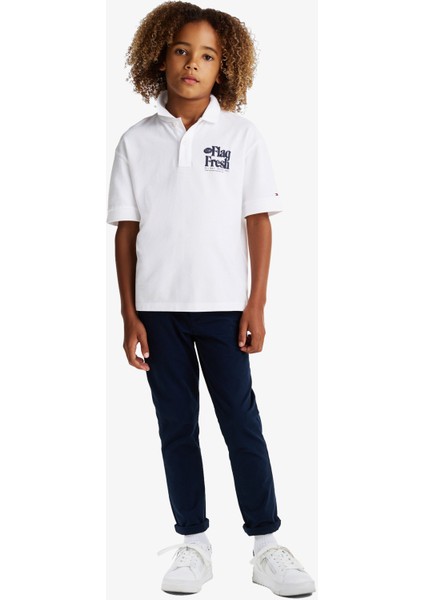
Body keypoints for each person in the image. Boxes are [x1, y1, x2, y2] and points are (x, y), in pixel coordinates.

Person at [107, 1, 315, 596]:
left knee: (241, 423)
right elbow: (127, 233)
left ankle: (266, 545)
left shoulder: (242, 136)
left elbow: (258, 221)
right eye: (181, 51)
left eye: (207, 55)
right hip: (157, 312)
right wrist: (129, 314)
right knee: (176, 426)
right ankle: (193, 544)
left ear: (224, 67)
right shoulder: (136, 142)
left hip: (225, 308)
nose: (192, 64)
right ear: (160, 57)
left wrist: (257, 304)